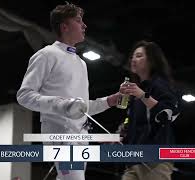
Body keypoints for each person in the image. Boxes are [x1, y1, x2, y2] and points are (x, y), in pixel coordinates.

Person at [16, 2, 119, 180]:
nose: (84, 25)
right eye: (79, 21)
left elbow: (81, 108)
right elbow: (24, 95)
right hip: (59, 133)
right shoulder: (46, 55)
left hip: (81, 137)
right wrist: (62, 105)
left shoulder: (81, 63)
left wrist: (109, 101)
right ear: (65, 27)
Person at [118, 40, 181, 180]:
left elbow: (170, 113)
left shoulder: (160, 85)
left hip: (155, 159)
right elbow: (135, 126)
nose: (134, 59)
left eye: (139, 56)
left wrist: (142, 95)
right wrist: (120, 135)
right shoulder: (136, 94)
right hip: (134, 160)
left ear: (152, 61)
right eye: (133, 56)